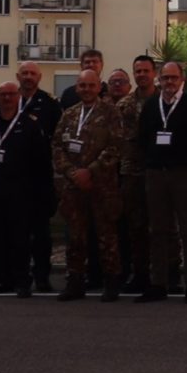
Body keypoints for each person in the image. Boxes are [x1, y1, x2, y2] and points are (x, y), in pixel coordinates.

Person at [136, 62, 187, 304]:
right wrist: (153, 158)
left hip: (182, 174)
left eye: (173, 78)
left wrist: (185, 158)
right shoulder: (151, 106)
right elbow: (142, 138)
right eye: (165, 78)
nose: (169, 82)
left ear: (182, 79)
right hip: (156, 174)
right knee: (157, 230)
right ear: (159, 80)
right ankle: (158, 283)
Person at [0, 81, 51, 299]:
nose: (7, 98)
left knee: (20, 238)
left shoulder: (29, 124)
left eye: (11, 94)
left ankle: (21, 282)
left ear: (18, 97)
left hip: (20, 188)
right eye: (3, 94)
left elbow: (40, 157)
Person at [51, 69, 123, 302]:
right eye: (83, 86)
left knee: (106, 236)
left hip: (102, 185)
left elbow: (116, 147)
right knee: (75, 237)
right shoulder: (69, 114)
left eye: (91, 85)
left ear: (99, 87)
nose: (87, 90)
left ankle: (111, 283)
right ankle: (75, 282)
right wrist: (72, 172)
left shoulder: (111, 112)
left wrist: (90, 171)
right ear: (77, 88)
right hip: (74, 187)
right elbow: (57, 147)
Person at [17, 61, 62, 292]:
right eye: (24, 73)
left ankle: (42, 276)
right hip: (14, 179)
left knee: (41, 233)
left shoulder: (50, 105)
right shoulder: (9, 100)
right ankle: (18, 277)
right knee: (16, 232)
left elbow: (59, 139)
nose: (28, 77)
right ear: (18, 76)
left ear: (39, 77)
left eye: (32, 73)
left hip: (40, 178)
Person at [115, 56, 158, 294]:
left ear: (154, 73)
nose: (142, 74)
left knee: (163, 224)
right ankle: (139, 273)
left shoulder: (164, 100)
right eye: (138, 71)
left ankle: (168, 272)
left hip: (159, 169)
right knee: (135, 226)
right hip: (131, 171)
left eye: (145, 70)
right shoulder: (124, 105)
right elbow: (115, 138)